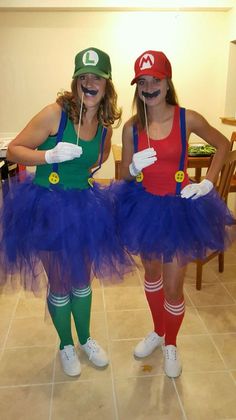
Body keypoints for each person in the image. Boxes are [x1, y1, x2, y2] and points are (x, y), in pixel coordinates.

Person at [0, 47, 132, 377]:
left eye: (96, 77)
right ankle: (65, 345)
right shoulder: (54, 114)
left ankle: (85, 338)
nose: (89, 82)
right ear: (74, 82)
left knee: (82, 282)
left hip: (85, 208)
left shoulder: (105, 125)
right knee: (59, 283)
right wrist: (49, 156)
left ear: (107, 84)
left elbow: (98, 160)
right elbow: (14, 148)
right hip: (46, 206)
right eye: (83, 77)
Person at [114, 50, 235, 378]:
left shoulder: (187, 118)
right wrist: (134, 166)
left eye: (156, 79)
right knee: (151, 277)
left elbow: (223, 145)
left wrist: (208, 183)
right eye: (143, 81)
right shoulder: (132, 127)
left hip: (180, 211)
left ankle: (171, 344)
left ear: (168, 83)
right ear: (137, 86)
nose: (149, 86)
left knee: (172, 287)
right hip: (145, 209)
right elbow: (122, 175)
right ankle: (158, 331)